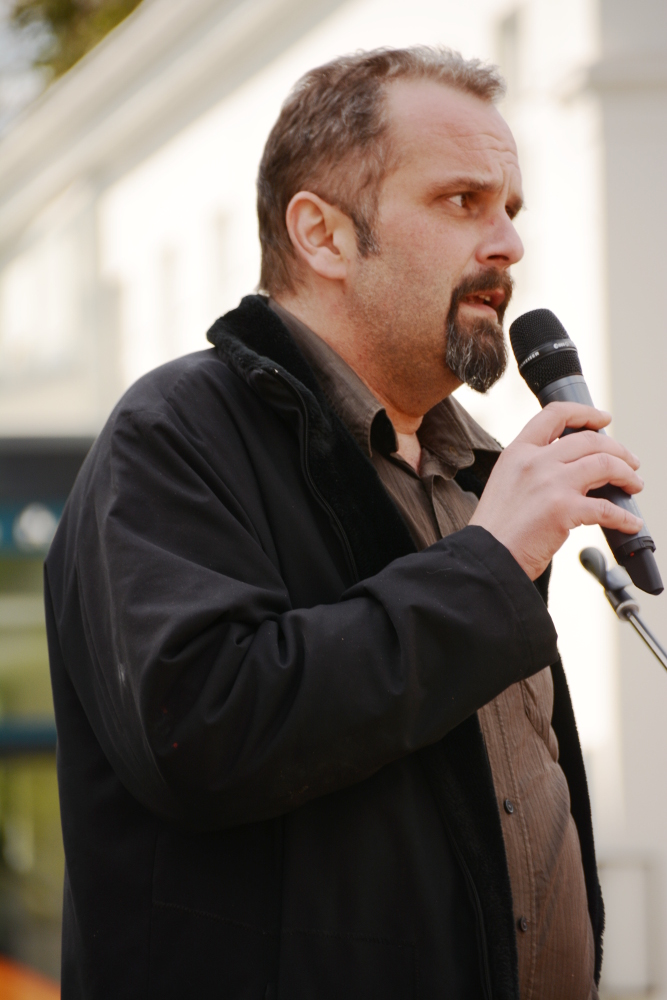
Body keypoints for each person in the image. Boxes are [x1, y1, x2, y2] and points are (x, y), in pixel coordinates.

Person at [45, 47, 644, 999]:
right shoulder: (174, 437)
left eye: (511, 210)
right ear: (321, 235)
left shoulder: (470, 474)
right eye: (462, 202)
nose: (507, 246)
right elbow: (202, 730)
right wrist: (488, 566)